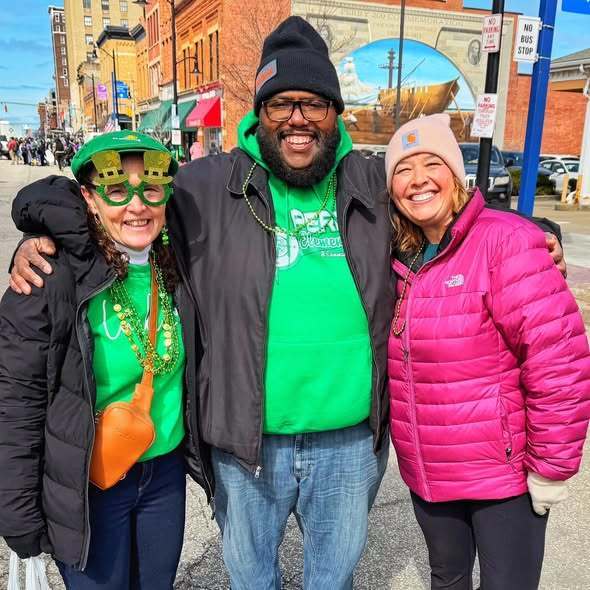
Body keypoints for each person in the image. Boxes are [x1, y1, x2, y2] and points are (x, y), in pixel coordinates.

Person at [8, 17, 565, 590]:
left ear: (335, 113)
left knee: (333, 579)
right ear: (260, 112)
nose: (298, 119)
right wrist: (39, 230)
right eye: (282, 104)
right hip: (247, 447)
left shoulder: (368, 182)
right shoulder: (207, 187)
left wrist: (533, 229)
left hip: (349, 445)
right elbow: (117, 205)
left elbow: (443, 210)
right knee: (253, 580)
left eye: (315, 104)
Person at [384, 114, 590, 590]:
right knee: (448, 579)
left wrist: (552, 468)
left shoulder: (505, 242)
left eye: (431, 163)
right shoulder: (399, 256)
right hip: (431, 475)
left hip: (503, 477)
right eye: (403, 169)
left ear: (455, 174)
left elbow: (559, 361)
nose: (418, 180)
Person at [0, 131, 212, 589]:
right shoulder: (50, 277)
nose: (137, 206)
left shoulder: (179, 263)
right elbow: (16, 400)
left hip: (164, 476)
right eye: (117, 190)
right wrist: (17, 511)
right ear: (89, 199)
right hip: (90, 484)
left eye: (150, 189)